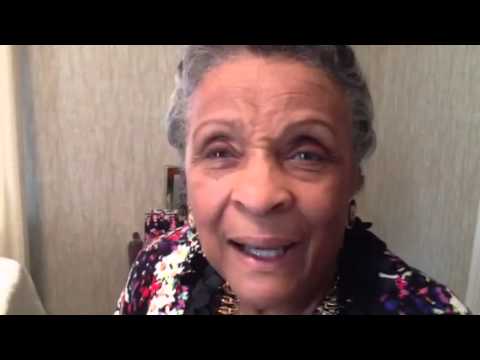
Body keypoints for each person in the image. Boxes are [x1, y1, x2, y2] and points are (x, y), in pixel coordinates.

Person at [115, 45, 470, 315]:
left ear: (354, 175)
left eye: (307, 154)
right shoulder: (154, 270)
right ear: (187, 172)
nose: (260, 196)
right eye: (220, 152)